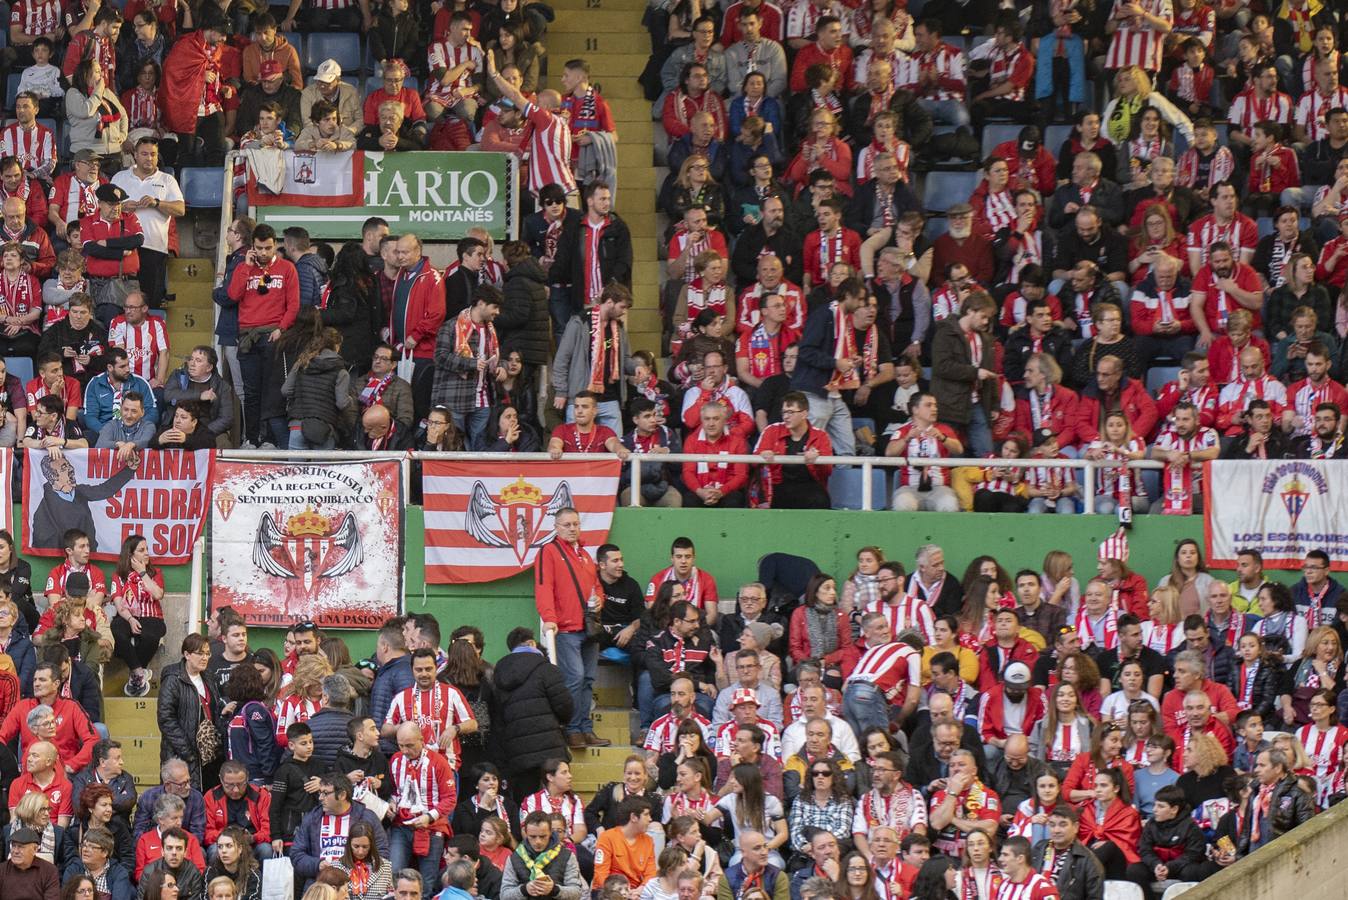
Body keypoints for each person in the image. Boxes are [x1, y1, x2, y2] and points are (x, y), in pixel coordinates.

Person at [157, 635, 224, 791]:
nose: (205, 657)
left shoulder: (208, 676)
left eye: (207, 653)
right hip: (180, 754)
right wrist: (188, 752)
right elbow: (166, 719)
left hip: (208, 754)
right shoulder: (173, 679)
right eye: (200, 653)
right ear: (187, 655)